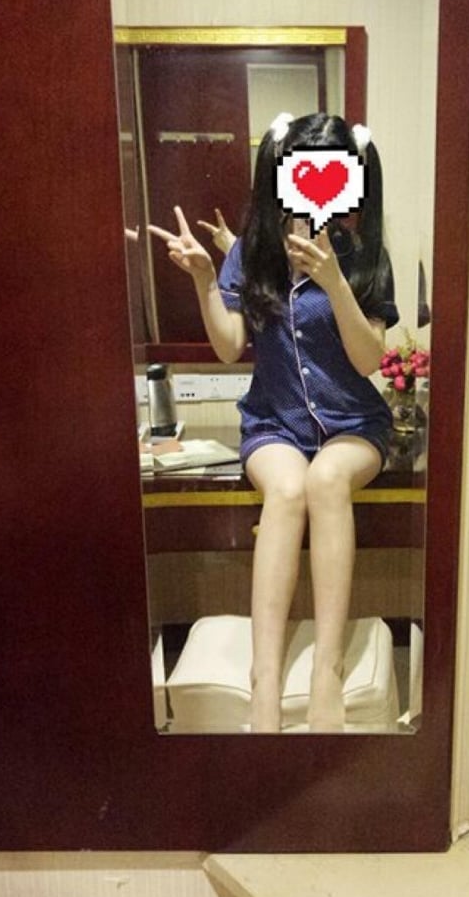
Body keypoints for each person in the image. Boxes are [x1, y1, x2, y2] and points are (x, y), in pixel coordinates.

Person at [149, 113, 399, 732]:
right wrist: (207, 281)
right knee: (287, 490)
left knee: (326, 481)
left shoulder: (365, 256)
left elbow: (369, 360)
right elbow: (230, 346)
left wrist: (334, 281)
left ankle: (327, 672)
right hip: (274, 423)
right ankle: (265, 677)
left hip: (352, 423)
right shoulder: (252, 252)